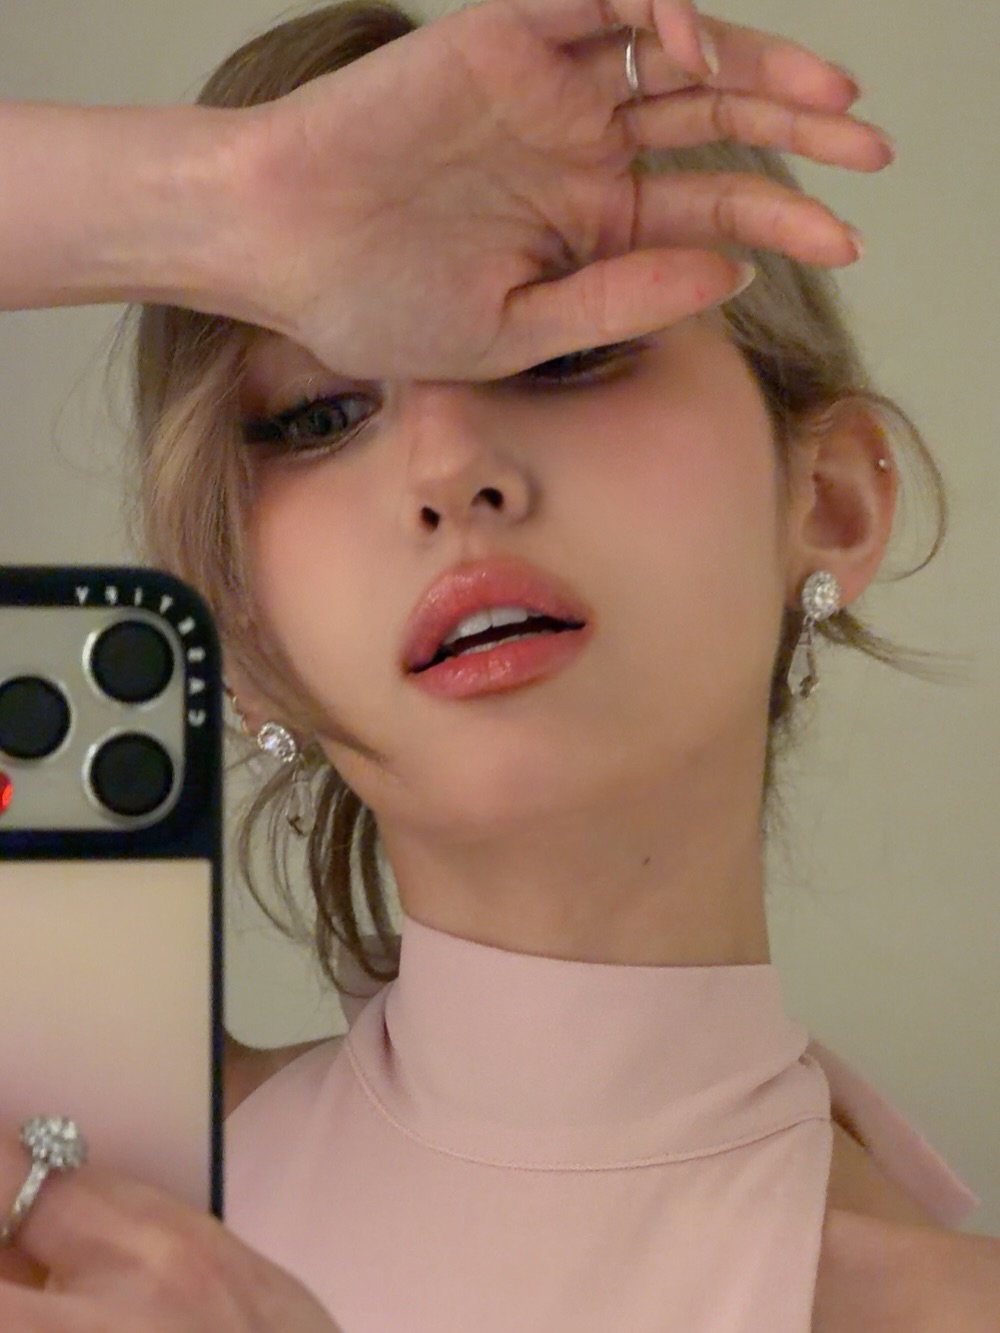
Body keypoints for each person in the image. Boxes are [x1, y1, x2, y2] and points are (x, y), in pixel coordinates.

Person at [0, 0, 989, 1328]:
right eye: (319, 414)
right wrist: (221, 195)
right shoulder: (84, 1196)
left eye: (568, 353)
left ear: (833, 503)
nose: (448, 469)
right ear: (240, 644)